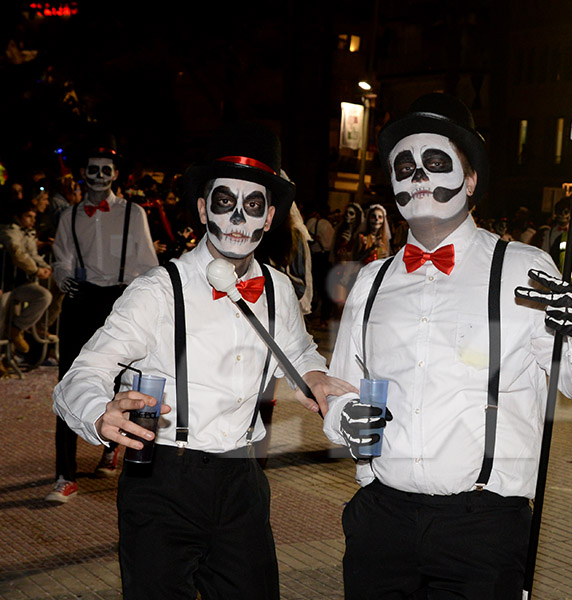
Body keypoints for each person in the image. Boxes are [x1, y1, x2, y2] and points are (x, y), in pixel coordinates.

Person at [323, 93, 572, 599]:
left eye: (436, 163)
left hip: (482, 529)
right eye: (405, 166)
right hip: (381, 523)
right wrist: (343, 417)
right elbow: (341, 388)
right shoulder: (370, 281)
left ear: (472, 180)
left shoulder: (524, 269)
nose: (418, 177)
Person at [53, 121, 356, 599]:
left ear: (270, 216)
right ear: (201, 207)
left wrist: (315, 376)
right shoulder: (157, 290)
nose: (238, 217)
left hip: (243, 483)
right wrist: (97, 411)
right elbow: (83, 373)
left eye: (253, 205)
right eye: (224, 201)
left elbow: (296, 350)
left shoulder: (278, 288)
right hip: (163, 483)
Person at [47, 132, 160, 501]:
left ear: (115, 175)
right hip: (81, 301)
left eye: (105, 170)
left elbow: (148, 265)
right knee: (69, 381)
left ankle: (111, 447)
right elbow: (60, 258)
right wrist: (62, 276)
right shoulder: (70, 216)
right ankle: (65, 473)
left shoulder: (134, 213)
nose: (99, 176)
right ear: (84, 174)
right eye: (93, 170)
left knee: (118, 380)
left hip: (117, 300)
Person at [0, 198, 54, 355]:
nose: (33, 220)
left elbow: (32, 254)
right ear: (18, 216)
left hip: (21, 283)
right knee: (1, 320)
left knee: (43, 296)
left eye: (34, 217)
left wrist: (45, 267)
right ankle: (3, 357)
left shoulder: (29, 232)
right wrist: (36, 271)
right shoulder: (8, 231)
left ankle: (16, 329)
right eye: (29, 216)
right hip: (5, 282)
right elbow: (19, 255)